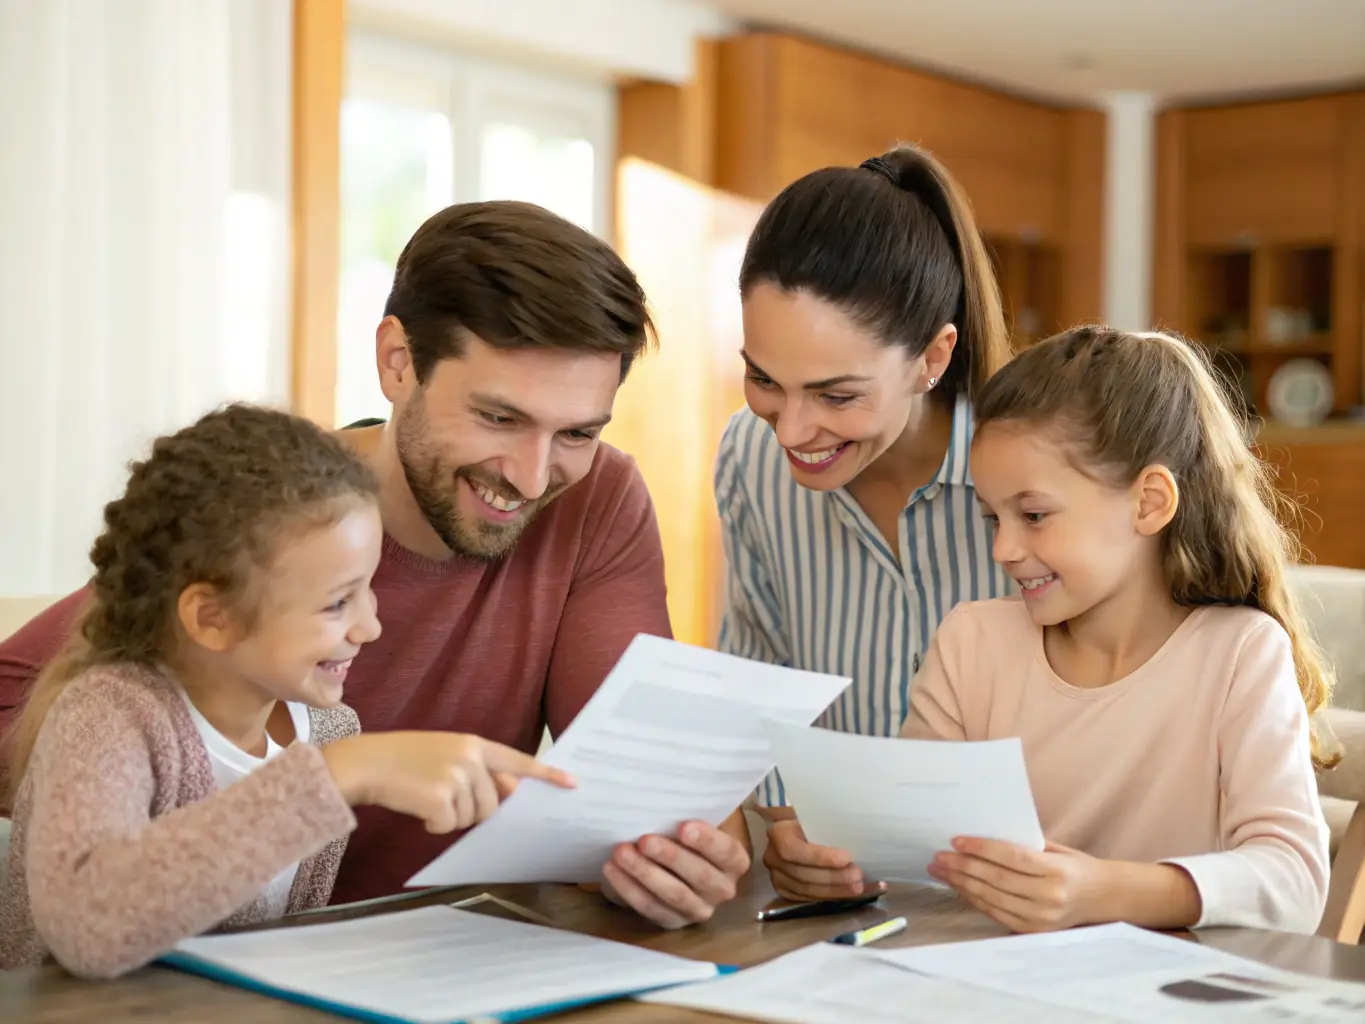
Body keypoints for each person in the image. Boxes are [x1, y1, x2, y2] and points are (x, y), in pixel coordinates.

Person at [0, 201, 750, 929]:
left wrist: (665, 859)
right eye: (497, 417)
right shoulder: (277, 519)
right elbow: (59, 700)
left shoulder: (597, 498)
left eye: (577, 432)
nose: (530, 476)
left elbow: (638, 782)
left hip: (441, 955)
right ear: (397, 363)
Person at [762, 326, 1334, 935]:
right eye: (993, 518)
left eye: (1034, 516)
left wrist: (1104, 891)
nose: (1005, 549)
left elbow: (1294, 880)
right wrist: (832, 857)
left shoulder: (1239, 655)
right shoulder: (971, 645)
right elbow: (911, 848)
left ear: (1148, 503)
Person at [0, 404, 574, 978]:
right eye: (336, 602)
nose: (369, 627)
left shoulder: (327, 728)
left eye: (368, 590)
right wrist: (336, 776)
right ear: (212, 618)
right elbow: (88, 930)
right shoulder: (111, 715)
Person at [714, 144, 1014, 808]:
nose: (789, 432)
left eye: (836, 396)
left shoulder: (1034, 482)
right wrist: (788, 830)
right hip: (826, 888)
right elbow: (755, 692)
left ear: (931, 358)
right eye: (763, 379)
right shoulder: (748, 457)